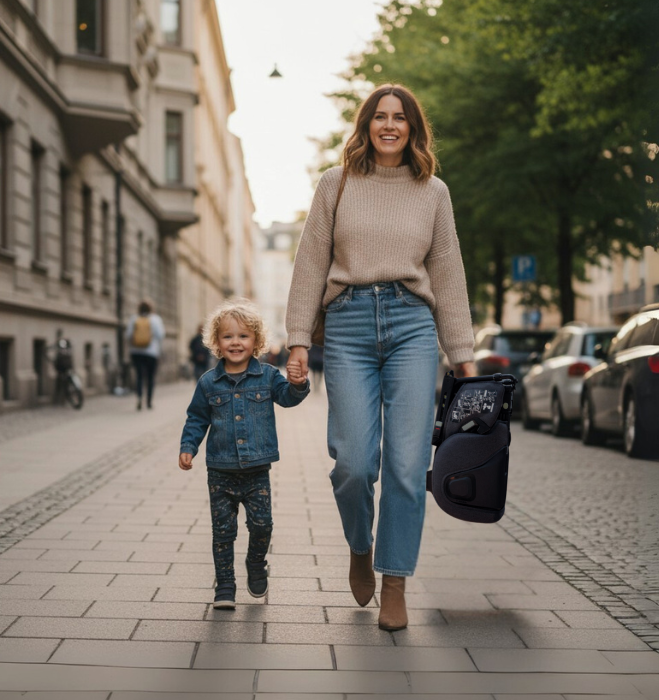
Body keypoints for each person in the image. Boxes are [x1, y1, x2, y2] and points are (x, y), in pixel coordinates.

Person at [285, 84, 477, 631]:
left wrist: (462, 354)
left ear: (414, 129)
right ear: (366, 124)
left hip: (412, 325)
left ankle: (395, 582)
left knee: (406, 465)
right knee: (353, 464)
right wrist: (299, 338)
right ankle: (358, 546)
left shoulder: (433, 191)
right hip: (346, 324)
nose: (389, 126)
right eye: (380, 117)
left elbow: (448, 274)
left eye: (400, 118)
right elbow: (309, 264)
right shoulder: (336, 183)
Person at [179, 299, 310, 609]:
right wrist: (188, 447)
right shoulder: (208, 383)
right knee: (223, 532)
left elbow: (287, 398)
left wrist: (298, 384)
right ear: (217, 342)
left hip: (256, 471)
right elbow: (197, 418)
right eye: (227, 336)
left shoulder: (267, 376)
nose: (235, 342)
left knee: (262, 525)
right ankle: (225, 586)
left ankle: (255, 563)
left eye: (243, 336)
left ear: (256, 341)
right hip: (220, 472)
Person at [126, 299, 165, 410]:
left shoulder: (134, 319)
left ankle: (139, 397)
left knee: (139, 376)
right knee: (150, 377)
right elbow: (161, 335)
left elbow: (128, 335)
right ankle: (149, 401)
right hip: (151, 353)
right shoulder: (155, 319)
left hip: (136, 352)